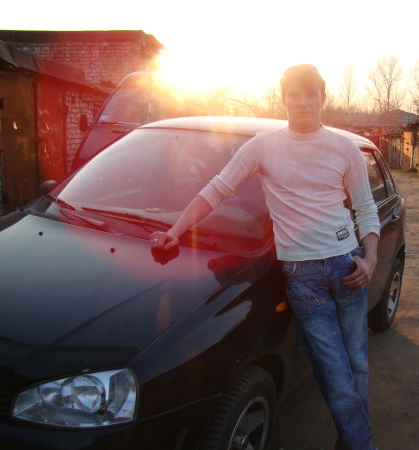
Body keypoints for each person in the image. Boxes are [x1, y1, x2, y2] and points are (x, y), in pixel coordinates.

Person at [150, 64, 380, 450]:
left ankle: (350, 440)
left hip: (348, 267)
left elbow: (366, 208)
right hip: (304, 278)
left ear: (323, 97)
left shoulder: (344, 149)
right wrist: (176, 230)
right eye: (294, 94)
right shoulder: (263, 147)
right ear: (284, 98)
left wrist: (370, 259)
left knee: (356, 364)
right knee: (336, 374)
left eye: (310, 94)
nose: (303, 102)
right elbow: (217, 189)